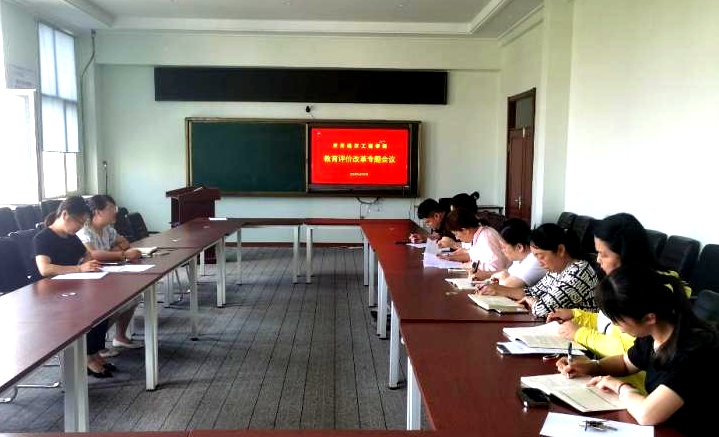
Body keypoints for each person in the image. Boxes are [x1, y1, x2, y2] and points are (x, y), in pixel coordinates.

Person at [555, 267, 719, 435]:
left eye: (618, 320)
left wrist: (621, 387)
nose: (615, 326)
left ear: (649, 318)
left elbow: (646, 414)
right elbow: (625, 363)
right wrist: (591, 366)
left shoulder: (694, 352)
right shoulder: (654, 333)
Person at [547, 213, 691, 392]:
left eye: (603, 254)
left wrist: (580, 334)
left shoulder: (648, 291)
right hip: (612, 380)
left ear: (624, 254)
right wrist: (577, 315)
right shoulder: (619, 285)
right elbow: (610, 325)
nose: (598, 260)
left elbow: (626, 349)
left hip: (640, 389)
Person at [32, 196, 113, 378]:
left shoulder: (71, 237)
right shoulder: (43, 238)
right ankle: (86, 357)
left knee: (103, 304)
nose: (80, 226)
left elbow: (87, 255)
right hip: (49, 293)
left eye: (84, 223)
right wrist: (78, 269)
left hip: (70, 287)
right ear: (65, 214)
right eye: (79, 222)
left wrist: (86, 263)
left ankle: (93, 352)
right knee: (90, 308)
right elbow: (45, 269)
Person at [477, 223, 598, 317]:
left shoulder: (579, 273)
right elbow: (533, 292)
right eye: (536, 257)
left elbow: (542, 309)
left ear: (560, 250)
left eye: (541, 256)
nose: (539, 263)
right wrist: (497, 289)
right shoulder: (557, 270)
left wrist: (533, 302)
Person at [78, 195, 143, 353]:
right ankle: (94, 346)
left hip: (107, 272)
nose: (115, 212)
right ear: (98, 212)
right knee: (110, 305)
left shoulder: (107, 229)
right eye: (111, 208)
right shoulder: (84, 230)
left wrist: (111, 252)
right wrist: (121, 254)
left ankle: (119, 337)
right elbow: (93, 254)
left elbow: (124, 243)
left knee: (132, 297)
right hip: (89, 277)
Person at [443, 207, 509, 278]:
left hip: (504, 280)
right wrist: (451, 258)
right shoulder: (478, 235)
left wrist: (471, 265)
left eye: (456, 234)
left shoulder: (486, 237)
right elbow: (475, 256)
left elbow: (497, 268)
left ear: (465, 230)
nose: (456, 238)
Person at [485, 218, 545, 288]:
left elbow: (507, 287)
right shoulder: (520, 259)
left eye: (504, 247)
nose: (502, 250)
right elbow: (507, 276)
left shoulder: (534, 259)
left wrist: (503, 275)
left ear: (519, 247)